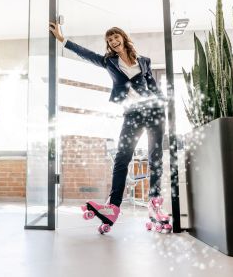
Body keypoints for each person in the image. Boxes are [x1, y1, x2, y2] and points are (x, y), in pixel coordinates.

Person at [49, 22, 172, 233]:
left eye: (116, 37)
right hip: (132, 115)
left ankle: (154, 203)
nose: (113, 41)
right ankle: (113, 205)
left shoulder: (144, 61)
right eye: (110, 40)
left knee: (155, 158)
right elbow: (85, 53)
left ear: (123, 38)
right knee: (122, 158)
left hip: (154, 114)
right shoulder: (108, 62)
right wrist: (63, 40)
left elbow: (154, 88)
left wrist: (164, 107)